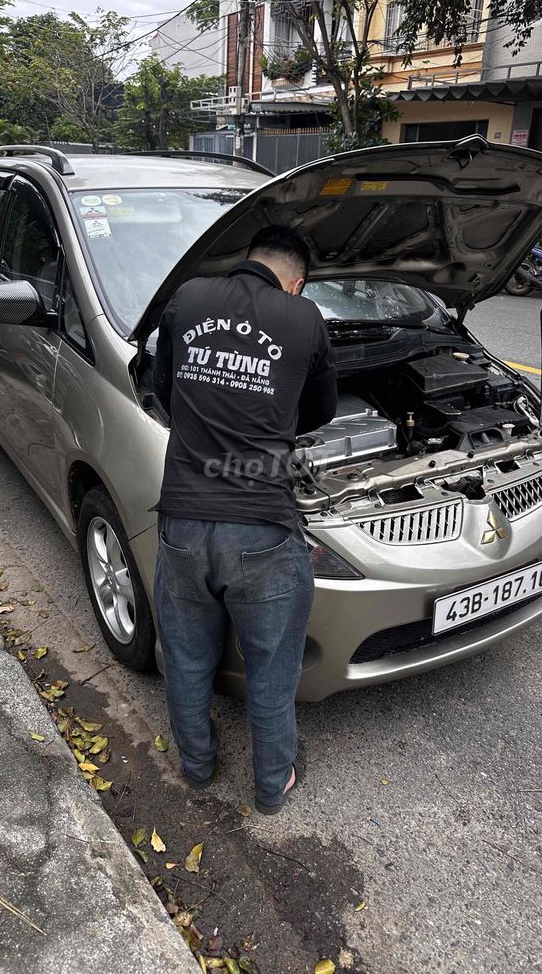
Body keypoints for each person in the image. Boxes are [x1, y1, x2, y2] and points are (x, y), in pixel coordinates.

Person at [153, 224, 337, 815]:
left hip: (183, 520)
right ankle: (270, 786)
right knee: (271, 667)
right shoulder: (304, 318)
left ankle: (197, 765)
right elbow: (321, 410)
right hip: (261, 526)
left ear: (248, 261)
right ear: (296, 282)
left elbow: (163, 388)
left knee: (185, 657)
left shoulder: (187, 299)